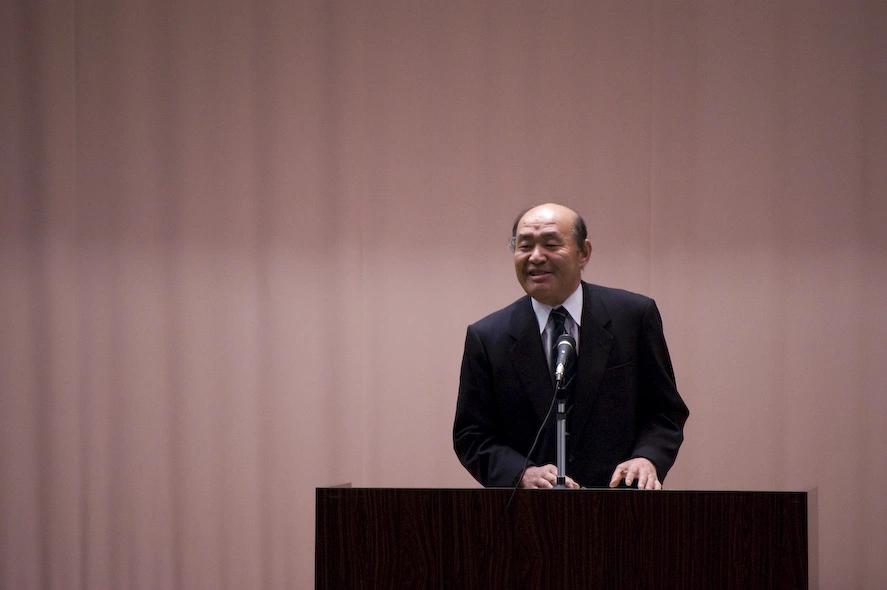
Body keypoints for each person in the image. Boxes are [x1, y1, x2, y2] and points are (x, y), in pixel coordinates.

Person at [453, 203, 689, 489]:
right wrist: (521, 473)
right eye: (524, 246)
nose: (536, 257)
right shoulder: (489, 337)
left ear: (584, 252)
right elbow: (472, 435)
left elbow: (665, 411)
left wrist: (647, 457)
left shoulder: (634, 317)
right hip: (528, 516)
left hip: (621, 507)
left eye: (551, 244)